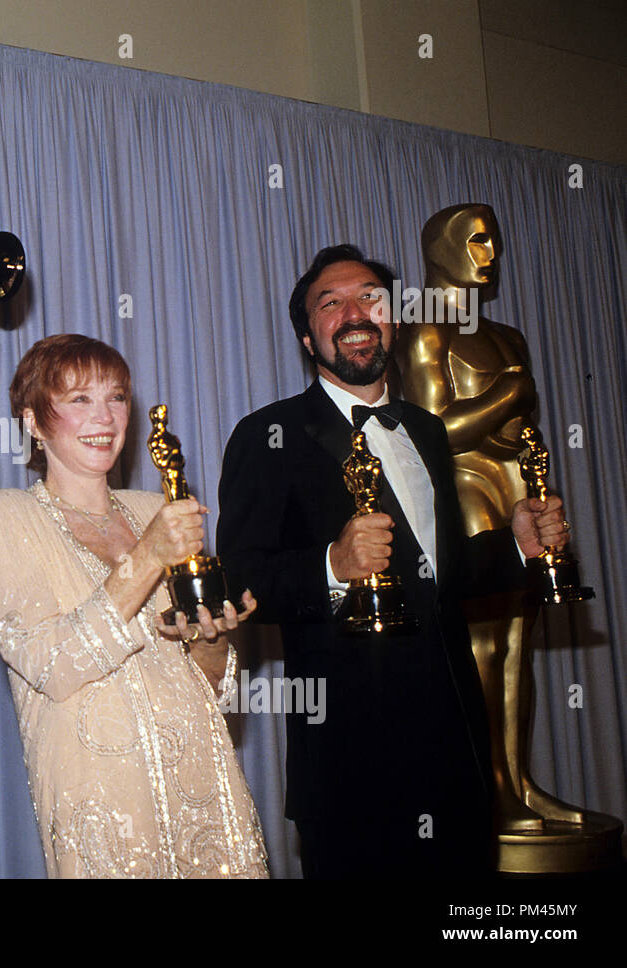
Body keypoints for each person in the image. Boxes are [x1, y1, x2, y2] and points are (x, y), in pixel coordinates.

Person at [216, 244, 571, 877]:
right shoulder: (266, 436)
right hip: (350, 770)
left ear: (396, 321)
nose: (355, 313)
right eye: (331, 303)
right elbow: (241, 584)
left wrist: (517, 546)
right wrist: (332, 564)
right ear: (307, 335)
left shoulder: (427, 431)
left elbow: (441, 575)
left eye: (371, 299)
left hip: (457, 756)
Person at [0, 334, 268, 878]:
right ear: (33, 420)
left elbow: (214, 693)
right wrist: (149, 554)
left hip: (205, 787)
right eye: (79, 399)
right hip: (102, 803)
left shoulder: (156, 506)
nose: (105, 416)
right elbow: (51, 666)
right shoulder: (3, 515)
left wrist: (214, 636)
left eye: (117, 396)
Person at [397, 203, 587, 833]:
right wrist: (507, 396)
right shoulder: (424, 330)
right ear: (443, 248)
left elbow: (516, 422)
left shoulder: (507, 335)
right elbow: (431, 430)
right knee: (483, 640)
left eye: (494, 243)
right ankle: (488, 789)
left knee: (518, 642)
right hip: (462, 487)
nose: (489, 255)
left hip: (512, 482)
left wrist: (523, 441)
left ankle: (520, 783)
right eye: (476, 241)